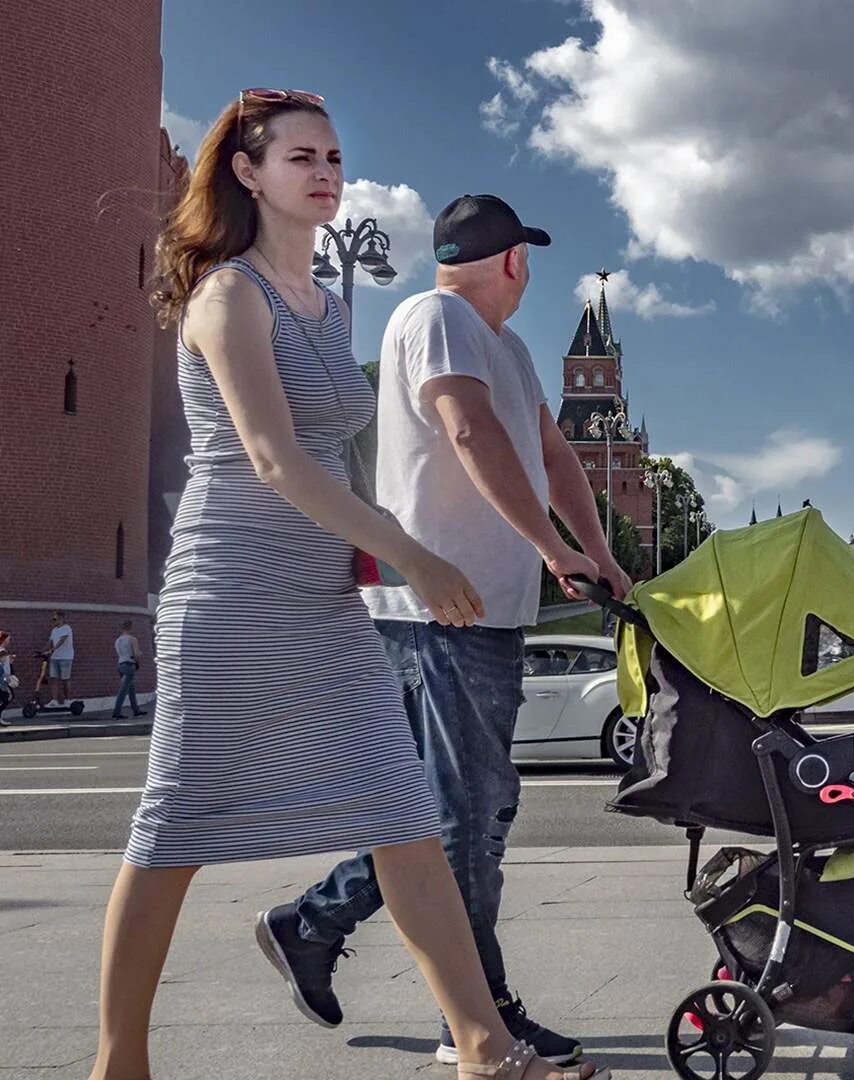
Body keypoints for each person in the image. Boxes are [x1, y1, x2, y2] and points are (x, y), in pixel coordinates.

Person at [103, 88, 603, 1080]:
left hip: (326, 601)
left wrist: (378, 558)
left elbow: (340, 465)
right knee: (173, 828)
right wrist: (413, 555)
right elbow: (274, 459)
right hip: (232, 593)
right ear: (248, 173)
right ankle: (119, 1064)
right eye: (300, 157)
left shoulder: (328, 309)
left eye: (332, 155)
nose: (324, 171)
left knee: (406, 819)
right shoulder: (229, 295)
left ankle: (483, 1052)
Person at [258, 192, 632, 1069]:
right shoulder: (440, 318)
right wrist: (551, 548)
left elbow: (553, 454)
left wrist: (599, 553)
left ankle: (311, 923)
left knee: (460, 809)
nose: (527, 273)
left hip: (484, 612)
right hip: (439, 612)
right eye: (526, 259)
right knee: (468, 818)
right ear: (511, 261)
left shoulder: (509, 347)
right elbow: (467, 430)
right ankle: (477, 1018)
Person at [110, 621, 143, 719]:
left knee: (131, 689)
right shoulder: (132, 639)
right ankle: (117, 712)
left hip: (120, 664)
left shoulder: (118, 640)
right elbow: (136, 654)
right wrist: (138, 662)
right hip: (129, 664)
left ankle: (136, 710)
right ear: (130, 627)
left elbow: (119, 653)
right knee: (123, 690)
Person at [45, 611, 74, 706]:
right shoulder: (54, 630)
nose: (53, 621)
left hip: (65, 657)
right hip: (54, 658)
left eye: (55, 619)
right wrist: (42, 651)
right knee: (53, 678)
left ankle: (68, 700)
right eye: (53, 619)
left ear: (61, 618)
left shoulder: (66, 628)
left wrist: (53, 649)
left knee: (65, 679)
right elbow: (50, 641)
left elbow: (62, 640)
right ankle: (54, 700)